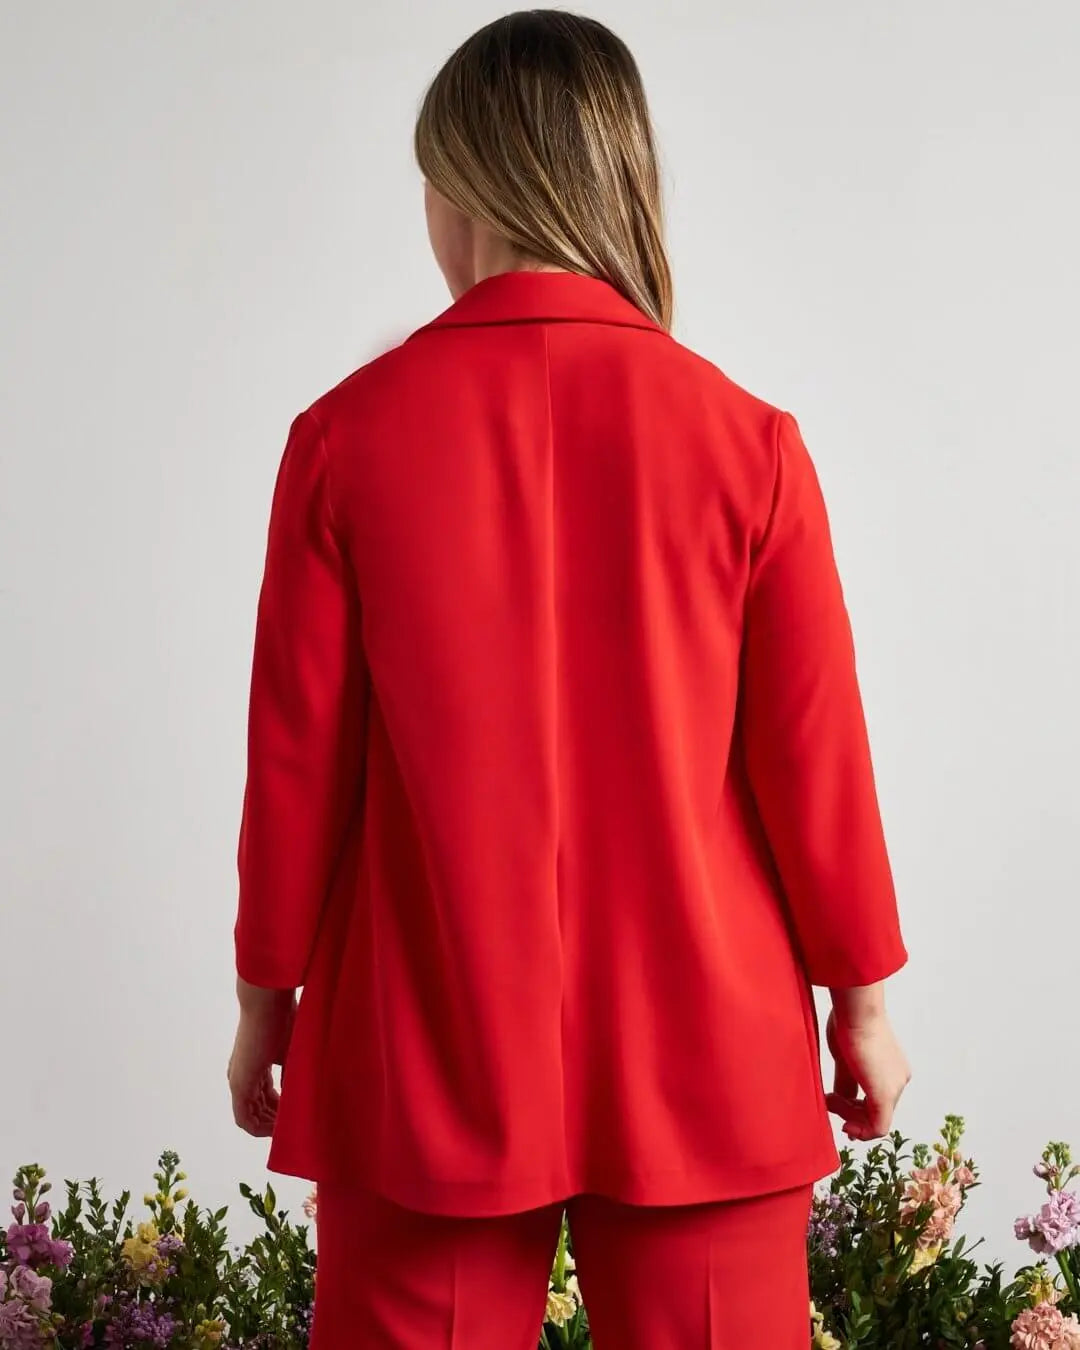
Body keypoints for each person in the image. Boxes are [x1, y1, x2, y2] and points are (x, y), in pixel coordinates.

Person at [226, 9, 911, 1348]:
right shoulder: (748, 441)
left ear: (459, 187)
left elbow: (297, 759)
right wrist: (862, 1006)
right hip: (708, 1047)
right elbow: (814, 755)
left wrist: (267, 998)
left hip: (421, 1039)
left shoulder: (344, 439)